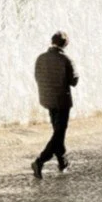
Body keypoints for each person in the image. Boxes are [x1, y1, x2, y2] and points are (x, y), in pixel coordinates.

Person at [31, 31, 78, 178]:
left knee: (57, 131)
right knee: (59, 132)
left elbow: (37, 77)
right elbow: (74, 81)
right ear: (65, 44)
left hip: (47, 99)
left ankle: (62, 161)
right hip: (62, 100)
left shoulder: (41, 58)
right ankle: (40, 160)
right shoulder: (65, 59)